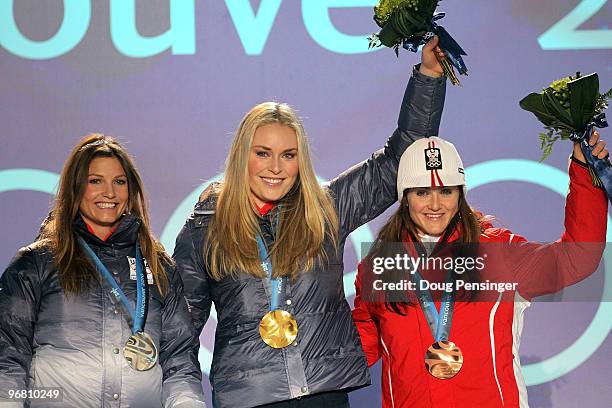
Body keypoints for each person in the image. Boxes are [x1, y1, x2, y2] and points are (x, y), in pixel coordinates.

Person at [172, 38, 448, 407]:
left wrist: (428, 76)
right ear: (242, 157)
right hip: (250, 399)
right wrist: (183, 400)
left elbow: (401, 158)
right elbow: (181, 333)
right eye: (262, 154)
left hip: (324, 394)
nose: (275, 167)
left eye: (288, 155)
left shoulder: (324, 209)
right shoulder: (204, 229)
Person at [352, 133, 608, 407]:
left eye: (446, 191)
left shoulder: (498, 253)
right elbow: (356, 351)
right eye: (422, 192)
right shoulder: (378, 268)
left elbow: (577, 258)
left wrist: (585, 173)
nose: (435, 205)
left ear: (460, 194)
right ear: (405, 196)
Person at [0, 134, 206, 408]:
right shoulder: (37, 263)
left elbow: (179, 361)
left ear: (131, 190)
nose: (109, 193)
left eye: (119, 182)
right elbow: (8, 358)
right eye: (95, 181)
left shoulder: (159, 267)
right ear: (75, 188)